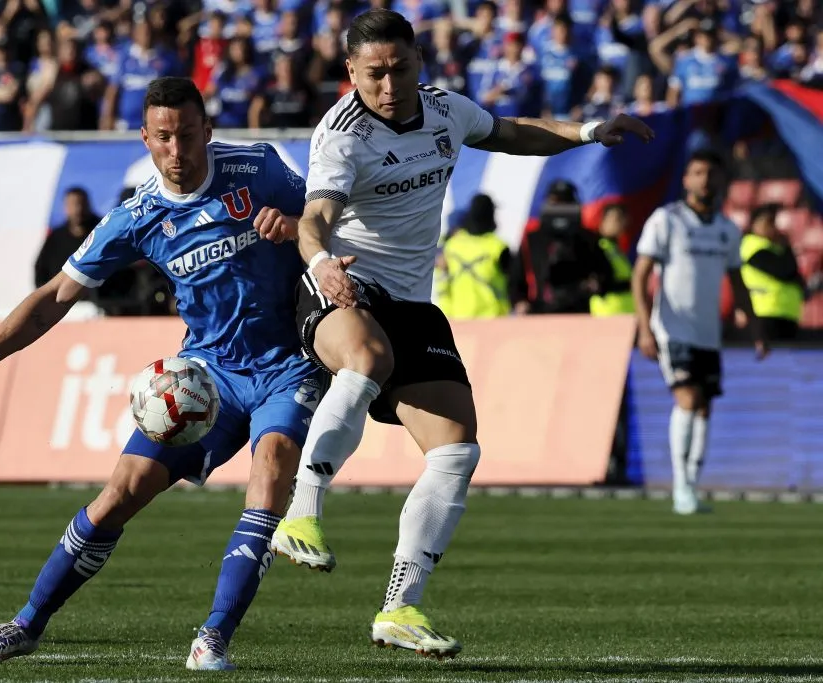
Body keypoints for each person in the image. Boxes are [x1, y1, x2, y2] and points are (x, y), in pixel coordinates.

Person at [270, 7, 653, 658]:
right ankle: (301, 509)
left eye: (399, 69)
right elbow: (316, 217)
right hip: (342, 283)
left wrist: (589, 130)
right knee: (364, 359)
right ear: (350, 72)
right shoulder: (342, 135)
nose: (388, 86)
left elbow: (510, 130)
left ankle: (399, 607)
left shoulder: (444, 109)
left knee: (456, 452)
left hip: (413, 301)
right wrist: (320, 262)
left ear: (419, 60)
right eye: (373, 74)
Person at [0, 77, 323, 671]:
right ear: (145, 139)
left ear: (207, 131)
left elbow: (333, 219)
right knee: (119, 494)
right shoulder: (136, 217)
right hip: (206, 377)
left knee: (271, 469)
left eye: (187, 135)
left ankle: (213, 637)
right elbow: (57, 295)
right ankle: (26, 624)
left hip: (285, 364)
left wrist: (299, 228)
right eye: (163, 137)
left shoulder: (261, 167)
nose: (176, 149)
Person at [631, 150, 768, 516]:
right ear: (686, 180)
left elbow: (737, 280)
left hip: (709, 331)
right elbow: (641, 274)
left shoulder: (727, 230)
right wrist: (645, 327)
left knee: (704, 407)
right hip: (672, 327)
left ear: (722, 181)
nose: (705, 179)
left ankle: (692, 484)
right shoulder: (667, 220)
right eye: (697, 172)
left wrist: (754, 326)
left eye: (711, 172)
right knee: (688, 399)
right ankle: (681, 489)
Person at [510, 180, 613, 315]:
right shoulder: (533, 239)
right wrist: (519, 301)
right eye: (555, 203)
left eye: (565, 202)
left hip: (578, 310)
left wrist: (596, 283)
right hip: (540, 310)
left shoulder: (587, 238)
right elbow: (516, 275)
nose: (560, 208)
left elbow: (605, 272)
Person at [737, 203, 809, 341]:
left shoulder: (774, 248)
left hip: (786, 314)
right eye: (768, 222)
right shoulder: (751, 245)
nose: (773, 227)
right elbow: (784, 270)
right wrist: (786, 245)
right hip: (764, 315)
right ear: (754, 223)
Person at [435, 193, 511, 319]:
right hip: (494, 320)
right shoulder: (498, 247)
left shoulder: (451, 246)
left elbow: (442, 283)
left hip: (458, 319)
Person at [589, 202, 635, 317]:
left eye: (622, 219)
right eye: (616, 219)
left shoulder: (615, 248)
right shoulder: (598, 247)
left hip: (624, 311)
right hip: (607, 312)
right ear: (603, 221)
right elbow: (602, 282)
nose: (620, 223)